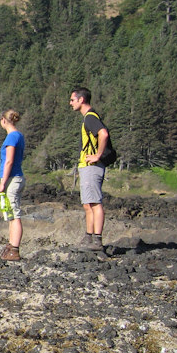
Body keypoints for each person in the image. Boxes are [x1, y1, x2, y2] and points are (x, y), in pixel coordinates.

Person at [69, 87, 109, 252]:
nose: (70, 103)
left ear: (81, 100)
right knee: (88, 204)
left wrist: (97, 155)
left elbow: (103, 134)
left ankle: (97, 240)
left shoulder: (90, 118)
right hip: (87, 167)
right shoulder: (87, 118)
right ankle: (89, 236)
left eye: (72, 100)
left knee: (95, 203)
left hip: (92, 167)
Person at [0, 109, 25, 261]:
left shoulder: (12, 137)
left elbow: (9, 160)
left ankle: (14, 249)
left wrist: (3, 182)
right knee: (11, 214)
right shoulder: (18, 135)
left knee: (14, 215)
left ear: (3, 120)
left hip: (12, 178)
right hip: (16, 178)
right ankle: (11, 245)